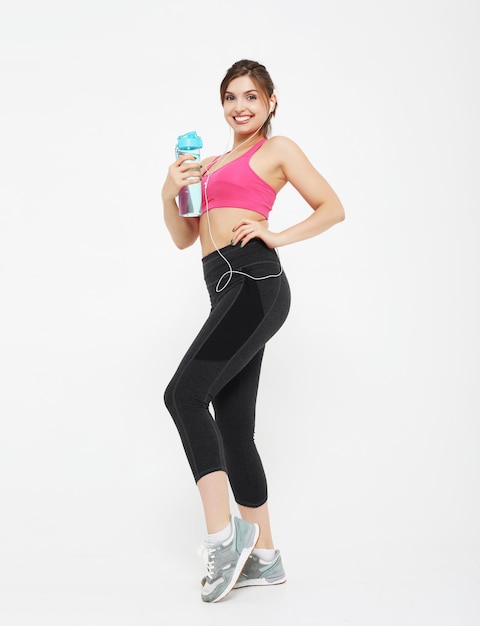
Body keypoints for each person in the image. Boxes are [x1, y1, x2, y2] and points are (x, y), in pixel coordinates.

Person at [162, 59, 345, 603]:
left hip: (252, 281)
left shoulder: (279, 148)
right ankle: (264, 557)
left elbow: (332, 208)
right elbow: (182, 237)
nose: (239, 106)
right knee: (235, 428)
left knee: (184, 395)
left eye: (250, 96)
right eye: (230, 97)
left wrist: (274, 234)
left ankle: (224, 539)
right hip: (223, 288)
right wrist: (168, 188)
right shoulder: (209, 161)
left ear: (269, 103)